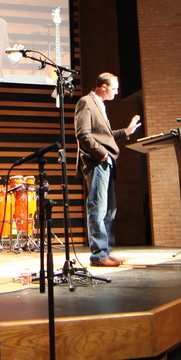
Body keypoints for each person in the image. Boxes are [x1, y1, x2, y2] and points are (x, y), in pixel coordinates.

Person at [73, 72, 141, 267]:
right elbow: (83, 134)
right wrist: (102, 154)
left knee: (109, 210)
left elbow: (104, 135)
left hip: (106, 162)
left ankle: (106, 252)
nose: (117, 92)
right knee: (98, 207)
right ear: (103, 86)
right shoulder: (86, 102)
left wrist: (126, 132)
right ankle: (99, 255)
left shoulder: (100, 105)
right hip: (97, 162)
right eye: (114, 88)